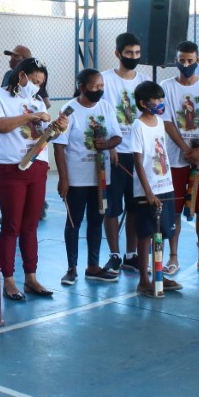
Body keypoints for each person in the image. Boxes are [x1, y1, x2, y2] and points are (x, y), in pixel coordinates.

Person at [0, 57, 68, 301]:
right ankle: (9, 279)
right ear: (21, 75)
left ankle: (31, 277)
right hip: (11, 168)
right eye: (34, 80)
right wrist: (30, 117)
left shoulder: (37, 101)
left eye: (41, 83)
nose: (37, 86)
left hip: (37, 166)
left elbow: (43, 135)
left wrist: (57, 128)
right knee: (12, 225)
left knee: (31, 226)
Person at [53, 68, 122, 285]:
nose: (99, 90)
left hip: (100, 177)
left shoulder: (106, 107)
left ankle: (93, 266)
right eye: (95, 87)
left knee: (96, 220)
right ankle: (71, 268)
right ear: (82, 87)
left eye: (102, 86)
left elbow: (117, 136)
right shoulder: (69, 110)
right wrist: (64, 178)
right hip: (77, 178)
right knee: (74, 221)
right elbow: (59, 146)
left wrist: (108, 144)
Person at [160, 40, 199, 277]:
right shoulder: (166, 87)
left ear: (197, 61)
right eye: (182, 60)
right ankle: (173, 257)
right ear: (176, 61)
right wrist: (186, 149)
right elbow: (167, 122)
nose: (186, 65)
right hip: (175, 158)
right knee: (173, 209)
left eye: (190, 60)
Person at [101, 32, 149, 274]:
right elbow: (98, 113)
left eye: (137, 53)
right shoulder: (104, 80)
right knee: (111, 208)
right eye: (129, 53)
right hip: (114, 154)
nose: (133, 57)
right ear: (118, 53)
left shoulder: (144, 82)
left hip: (137, 154)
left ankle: (131, 254)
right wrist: (109, 146)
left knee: (135, 207)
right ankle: (114, 255)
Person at [129, 81, 181, 296]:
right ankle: (143, 280)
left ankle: (158, 275)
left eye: (161, 99)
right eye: (156, 99)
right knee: (146, 235)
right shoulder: (138, 126)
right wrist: (148, 192)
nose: (160, 102)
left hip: (164, 184)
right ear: (143, 103)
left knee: (161, 232)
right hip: (147, 190)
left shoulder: (159, 122)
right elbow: (138, 161)